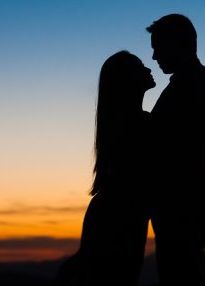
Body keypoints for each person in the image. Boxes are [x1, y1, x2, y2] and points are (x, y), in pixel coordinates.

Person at [57, 50, 156, 285]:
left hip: (114, 214)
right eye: (139, 66)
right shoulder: (139, 125)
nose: (148, 69)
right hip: (121, 218)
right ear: (126, 79)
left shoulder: (129, 123)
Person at [146, 14, 205, 286]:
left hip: (182, 204)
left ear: (178, 44)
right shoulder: (190, 82)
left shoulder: (190, 86)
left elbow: (163, 143)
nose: (153, 56)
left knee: (180, 277)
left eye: (157, 47)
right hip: (186, 203)